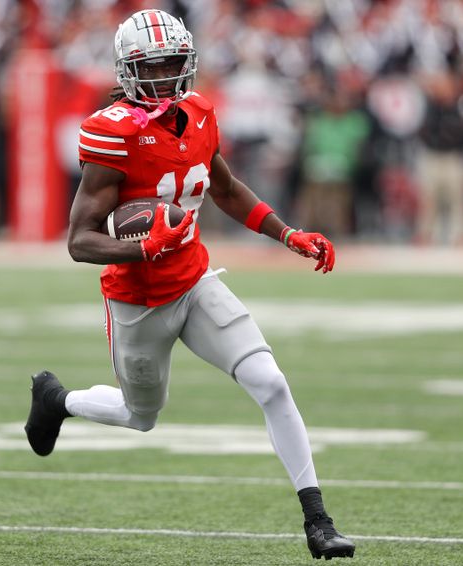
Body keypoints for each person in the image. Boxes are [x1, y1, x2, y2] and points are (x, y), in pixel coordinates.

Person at [24, 9, 355, 561]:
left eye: (175, 62)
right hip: (138, 300)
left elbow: (224, 189)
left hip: (196, 281)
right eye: (154, 66)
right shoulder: (112, 134)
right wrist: (143, 247)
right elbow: (79, 240)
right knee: (141, 415)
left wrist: (287, 233)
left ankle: (317, 520)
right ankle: (58, 400)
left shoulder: (199, 113)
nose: (168, 75)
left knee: (271, 383)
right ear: (129, 71)